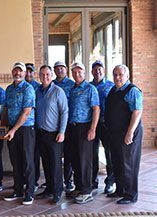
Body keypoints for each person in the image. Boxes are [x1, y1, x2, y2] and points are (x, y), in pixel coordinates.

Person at [105, 64, 143, 204]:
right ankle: (120, 190)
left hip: (128, 133)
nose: (117, 77)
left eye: (120, 74)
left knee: (128, 163)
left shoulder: (132, 90)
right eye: (115, 74)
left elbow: (137, 111)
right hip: (115, 133)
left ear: (127, 76)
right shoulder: (114, 90)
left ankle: (131, 194)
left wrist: (130, 132)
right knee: (117, 162)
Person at [3, 62, 36, 205]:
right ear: (12, 72)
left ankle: (29, 193)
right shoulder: (9, 89)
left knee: (28, 162)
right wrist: (4, 127)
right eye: (15, 71)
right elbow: (6, 108)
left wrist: (13, 130)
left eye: (20, 71)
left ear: (24, 74)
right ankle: (18, 190)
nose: (18, 74)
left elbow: (27, 112)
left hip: (25, 129)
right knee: (15, 161)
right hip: (11, 129)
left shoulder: (28, 89)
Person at [35, 65, 68, 204]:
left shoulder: (58, 91)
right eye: (42, 74)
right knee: (46, 164)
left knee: (55, 164)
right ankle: (49, 189)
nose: (45, 77)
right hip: (41, 133)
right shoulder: (37, 91)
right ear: (39, 76)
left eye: (47, 74)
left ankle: (57, 191)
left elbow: (64, 112)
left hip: (55, 134)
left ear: (51, 75)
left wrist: (62, 131)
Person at [68, 62, 100, 204]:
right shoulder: (72, 89)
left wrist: (92, 129)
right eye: (74, 72)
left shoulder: (90, 88)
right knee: (75, 159)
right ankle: (79, 187)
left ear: (84, 72)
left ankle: (87, 191)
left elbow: (96, 109)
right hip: (72, 128)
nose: (77, 74)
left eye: (79, 72)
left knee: (85, 160)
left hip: (85, 127)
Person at [90, 60, 115, 193]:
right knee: (92, 154)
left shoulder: (111, 86)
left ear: (103, 71)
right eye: (95, 69)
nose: (97, 71)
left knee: (108, 154)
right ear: (91, 71)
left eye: (100, 69)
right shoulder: (88, 86)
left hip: (106, 124)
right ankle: (93, 181)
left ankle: (110, 182)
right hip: (92, 125)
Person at [53, 61, 75, 193]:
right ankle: (55, 181)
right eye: (57, 69)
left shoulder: (72, 84)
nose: (60, 70)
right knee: (55, 154)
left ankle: (68, 181)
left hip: (68, 124)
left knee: (68, 154)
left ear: (66, 70)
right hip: (55, 125)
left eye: (62, 68)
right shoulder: (52, 84)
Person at [25, 63, 40, 191]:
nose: (29, 74)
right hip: (24, 126)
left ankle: (34, 182)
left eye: (31, 72)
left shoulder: (39, 87)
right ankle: (25, 180)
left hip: (37, 125)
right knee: (25, 155)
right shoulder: (19, 86)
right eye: (27, 72)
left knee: (34, 154)